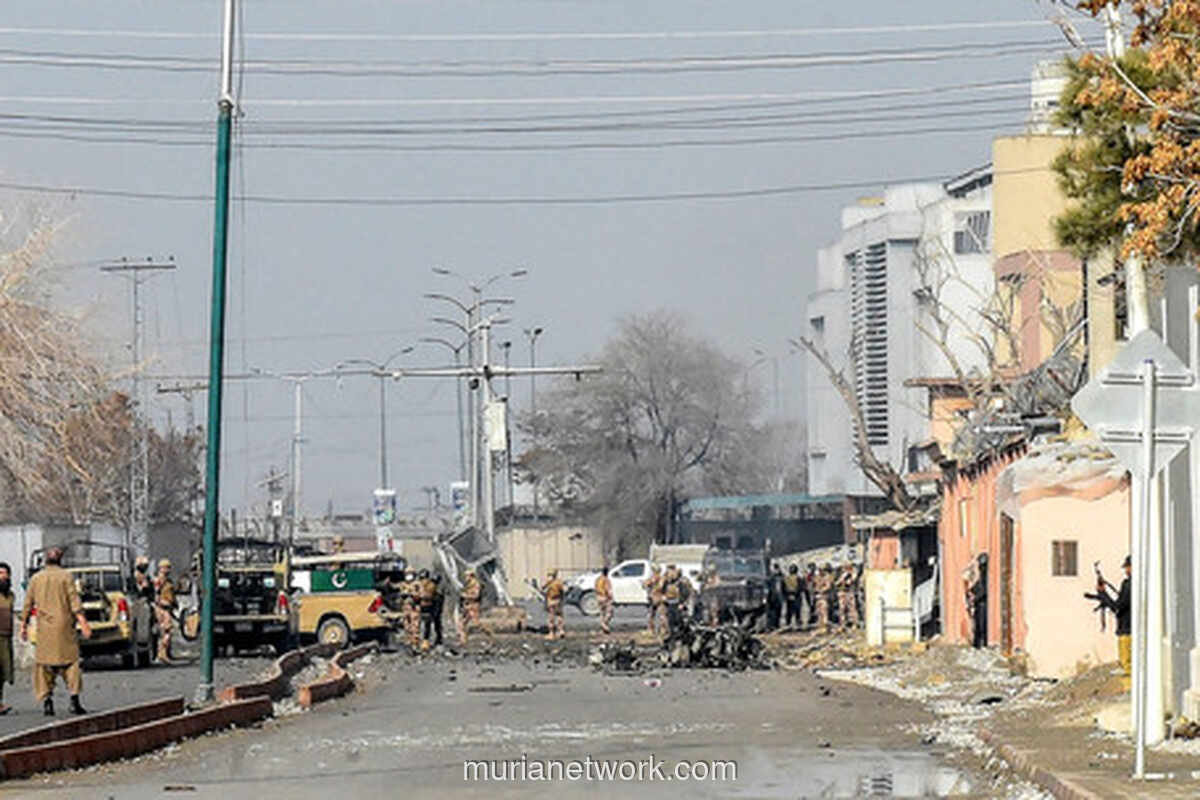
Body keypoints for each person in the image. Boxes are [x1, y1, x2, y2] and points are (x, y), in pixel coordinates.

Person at [21, 547, 91, 716]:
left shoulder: (36, 579)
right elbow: (74, 602)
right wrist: (84, 623)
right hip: (65, 627)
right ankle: (74, 700)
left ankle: (47, 701)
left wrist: (23, 625)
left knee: (44, 665)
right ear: (61, 560)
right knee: (71, 664)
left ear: (45, 560)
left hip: (44, 629)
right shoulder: (66, 576)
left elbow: (28, 603)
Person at [1087, 555, 1132, 677]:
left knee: (1127, 668)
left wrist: (1102, 594)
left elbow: (1117, 607)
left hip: (1126, 631)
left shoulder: (1128, 585)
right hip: (1131, 630)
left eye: (1128, 568)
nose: (1126, 571)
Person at [153, 559, 177, 664]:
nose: (168, 570)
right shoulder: (159, 580)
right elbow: (156, 595)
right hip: (162, 609)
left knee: (167, 632)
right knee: (165, 632)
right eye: (166, 567)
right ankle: (161, 654)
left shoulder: (168, 581)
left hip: (168, 608)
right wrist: (161, 604)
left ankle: (165, 653)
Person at [457, 568, 484, 647]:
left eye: (466, 576)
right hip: (467, 606)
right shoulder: (468, 584)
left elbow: (476, 595)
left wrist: (465, 595)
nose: (465, 578)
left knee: (477, 624)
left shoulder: (476, 584)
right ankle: (463, 641)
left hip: (473, 606)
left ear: (471, 576)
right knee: (461, 624)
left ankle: (489, 635)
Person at [0, 563, 14, 715]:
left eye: (5, 573)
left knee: (4, 671)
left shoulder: (10, 595)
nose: (2, 576)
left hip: (6, 636)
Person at [418, 569, 437, 651]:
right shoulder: (422, 584)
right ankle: (421, 642)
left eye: (424, 579)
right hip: (422, 607)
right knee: (421, 625)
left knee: (426, 625)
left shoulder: (430, 585)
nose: (423, 581)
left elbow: (427, 595)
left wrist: (420, 595)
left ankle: (425, 642)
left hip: (428, 607)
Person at [642, 565, 664, 636]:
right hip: (655, 598)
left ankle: (656, 630)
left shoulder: (657, 578)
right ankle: (654, 630)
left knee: (658, 615)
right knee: (654, 615)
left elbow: (646, 584)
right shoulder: (660, 578)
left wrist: (650, 585)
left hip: (657, 598)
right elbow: (645, 585)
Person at [544, 569, 566, 640]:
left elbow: (543, 588)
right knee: (559, 616)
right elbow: (563, 591)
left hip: (551, 600)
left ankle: (551, 633)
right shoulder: (559, 582)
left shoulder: (549, 583)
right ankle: (561, 631)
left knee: (551, 617)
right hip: (558, 600)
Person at [837, 564, 860, 631]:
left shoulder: (853, 574)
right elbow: (838, 582)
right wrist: (842, 580)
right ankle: (842, 624)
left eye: (846, 567)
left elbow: (850, 582)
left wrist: (846, 578)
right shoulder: (843, 574)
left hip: (849, 593)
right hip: (842, 592)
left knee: (852, 609)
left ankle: (854, 623)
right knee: (842, 609)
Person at [782, 565, 803, 630]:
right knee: (797, 612)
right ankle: (798, 625)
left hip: (789, 596)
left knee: (789, 612)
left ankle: (788, 625)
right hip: (796, 596)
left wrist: (786, 595)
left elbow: (783, 588)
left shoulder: (785, 578)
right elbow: (801, 588)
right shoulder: (798, 578)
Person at [594, 566, 614, 635]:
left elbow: (595, 587)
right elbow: (608, 589)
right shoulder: (606, 580)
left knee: (602, 613)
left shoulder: (598, 579)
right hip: (605, 597)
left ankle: (603, 628)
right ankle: (604, 625)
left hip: (598, 597)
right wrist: (611, 597)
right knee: (609, 612)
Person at [815, 564, 833, 633]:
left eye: (821, 570)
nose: (820, 572)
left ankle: (825, 628)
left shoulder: (827, 577)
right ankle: (820, 626)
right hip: (818, 597)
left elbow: (828, 586)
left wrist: (821, 590)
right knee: (819, 612)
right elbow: (816, 585)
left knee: (824, 612)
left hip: (824, 597)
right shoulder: (818, 577)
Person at [766, 563, 784, 631]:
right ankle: (770, 626)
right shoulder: (770, 578)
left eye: (777, 568)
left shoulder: (781, 577)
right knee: (771, 612)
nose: (777, 570)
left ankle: (776, 625)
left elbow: (783, 587)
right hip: (772, 597)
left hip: (779, 597)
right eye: (775, 569)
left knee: (778, 611)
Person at [429, 574, 446, 647]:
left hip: (435, 611)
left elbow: (439, 604)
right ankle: (437, 639)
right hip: (434, 611)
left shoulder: (438, 593)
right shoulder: (435, 591)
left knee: (437, 626)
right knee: (436, 626)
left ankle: (438, 639)